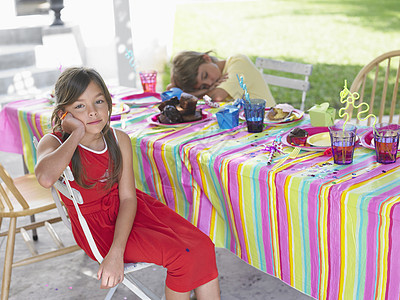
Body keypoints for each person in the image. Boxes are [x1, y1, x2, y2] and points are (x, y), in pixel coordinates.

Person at [34, 67, 220, 300]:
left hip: (132, 210)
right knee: (181, 257)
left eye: (99, 101)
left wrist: (118, 250)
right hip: (99, 231)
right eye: (80, 106)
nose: (92, 112)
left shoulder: (118, 139)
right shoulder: (53, 142)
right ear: (64, 114)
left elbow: (128, 198)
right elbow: (45, 178)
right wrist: (76, 133)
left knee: (203, 246)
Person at [167, 50, 276, 106]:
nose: (209, 83)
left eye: (205, 75)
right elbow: (170, 88)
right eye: (203, 86)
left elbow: (217, 97)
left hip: (271, 126)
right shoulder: (213, 85)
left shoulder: (238, 61)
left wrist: (204, 92)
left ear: (206, 58)